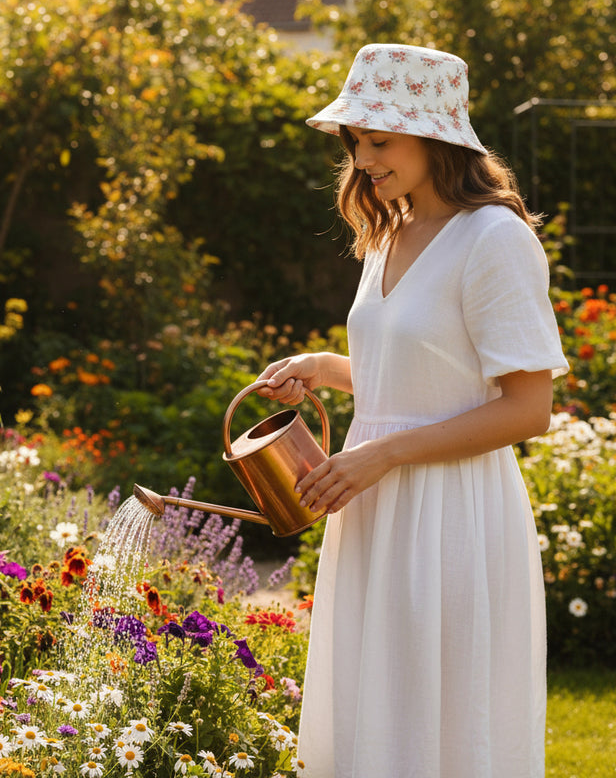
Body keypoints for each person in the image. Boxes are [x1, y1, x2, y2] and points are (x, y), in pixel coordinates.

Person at [257, 44, 568, 778]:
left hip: (452, 513)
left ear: (436, 137)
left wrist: (384, 454)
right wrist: (323, 369)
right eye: (356, 141)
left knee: (446, 720)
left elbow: (528, 409)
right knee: (378, 712)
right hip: (375, 507)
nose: (362, 158)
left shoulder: (494, 239)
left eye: (379, 139)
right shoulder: (388, 233)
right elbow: (415, 380)